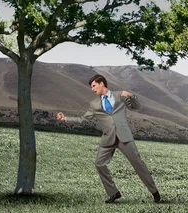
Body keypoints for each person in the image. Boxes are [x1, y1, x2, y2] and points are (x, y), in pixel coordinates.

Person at [57, 74, 161, 204]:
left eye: (94, 86)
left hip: (124, 137)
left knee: (138, 164)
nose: (92, 89)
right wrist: (65, 118)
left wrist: (130, 95)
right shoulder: (94, 104)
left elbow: (136, 106)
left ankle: (155, 192)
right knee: (99, 163)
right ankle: (113, 193)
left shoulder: (119, 96)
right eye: (91, 87)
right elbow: (83, 119)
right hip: (108, 138)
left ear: (102, 84)